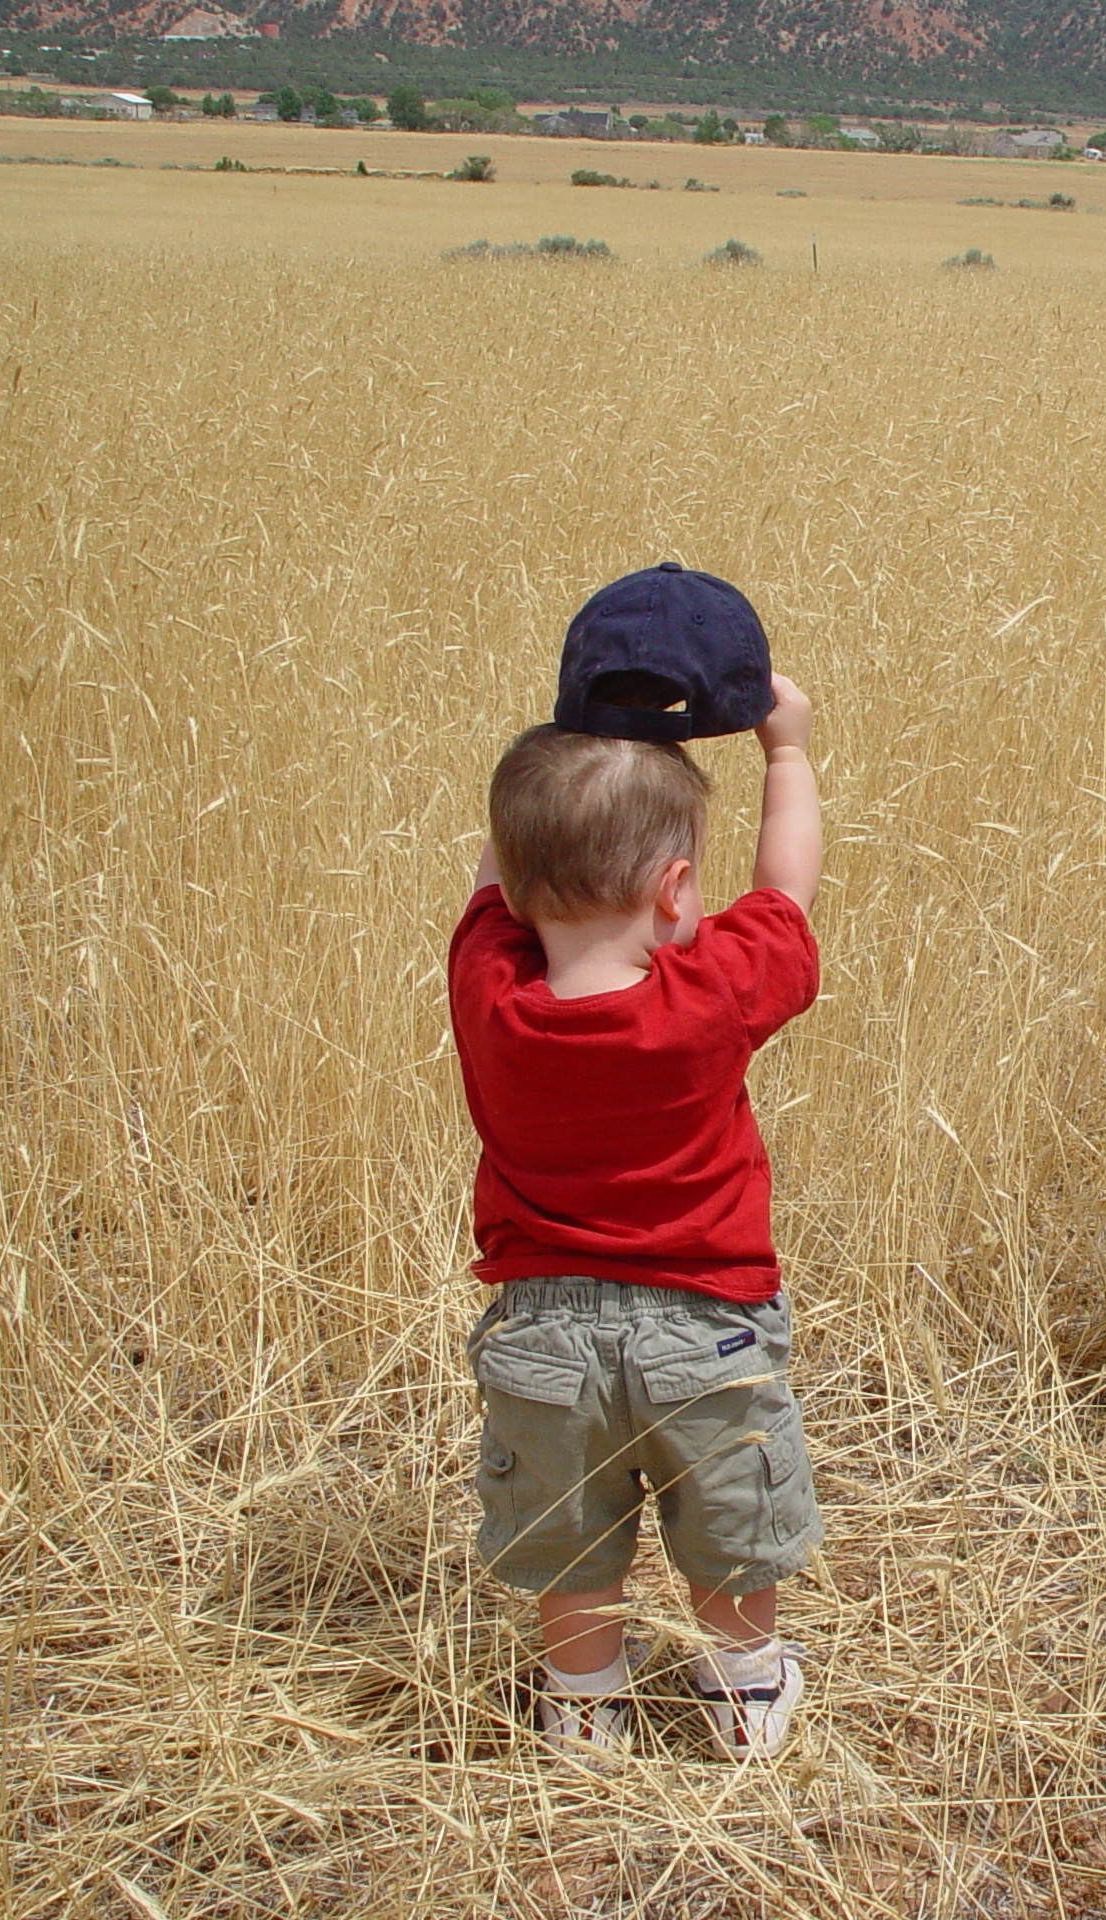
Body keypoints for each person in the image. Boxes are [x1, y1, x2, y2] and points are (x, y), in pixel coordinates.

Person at [448, 590, 824, 1762]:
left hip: (541, 1328)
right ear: (675, 892)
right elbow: (787, 891)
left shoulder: (490, 996)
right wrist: (788, 751)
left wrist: (570, 742)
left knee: (570, 1530)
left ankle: (586, 1702)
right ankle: (744, 1693)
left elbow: (494, 883)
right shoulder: (706, 996)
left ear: (510, 891)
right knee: (728, 1520)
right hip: (706, 1322)